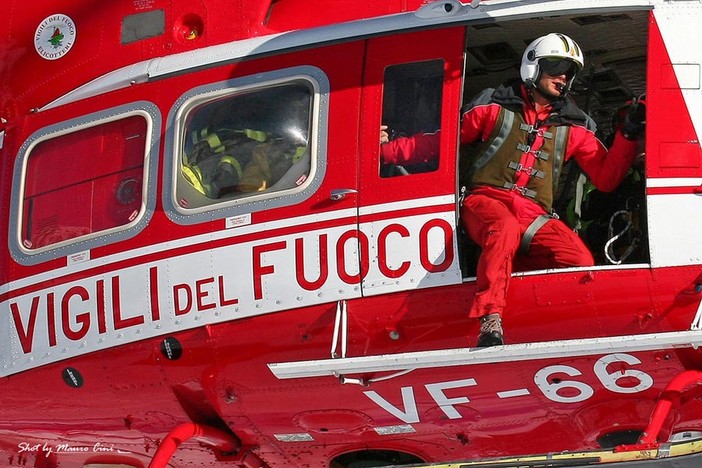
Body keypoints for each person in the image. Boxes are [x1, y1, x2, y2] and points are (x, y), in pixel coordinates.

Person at [380, 33, 644, 347]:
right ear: (533, 66)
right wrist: (385, 152)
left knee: (578, 260)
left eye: (570, 71)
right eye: (556, 65)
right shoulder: (493, 107)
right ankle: (490, 318)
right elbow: (437, 143)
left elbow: (606, 178)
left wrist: (627, 134)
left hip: (533, 215)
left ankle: (517, 305)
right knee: (502, 228)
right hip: (485, 201)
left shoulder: (575, 127)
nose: (563, 75)